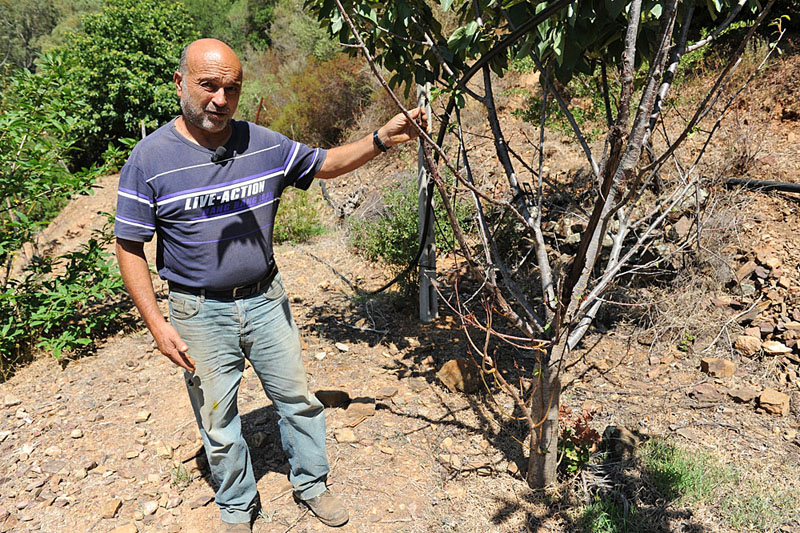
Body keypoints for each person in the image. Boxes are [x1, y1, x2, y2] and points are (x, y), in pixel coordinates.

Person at [114, 38, 426, 532]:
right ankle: (237, 506)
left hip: (265, 300)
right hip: (198, 313)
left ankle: (312, 484)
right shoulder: (149, 159)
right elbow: (129, 246)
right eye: (208, 85)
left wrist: (381, 139)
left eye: (231, 88)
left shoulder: (263, 144)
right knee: (217, 422)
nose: (220, 99)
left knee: (297, 399)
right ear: (180, 83)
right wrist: (156, 323)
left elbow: (324, 163)